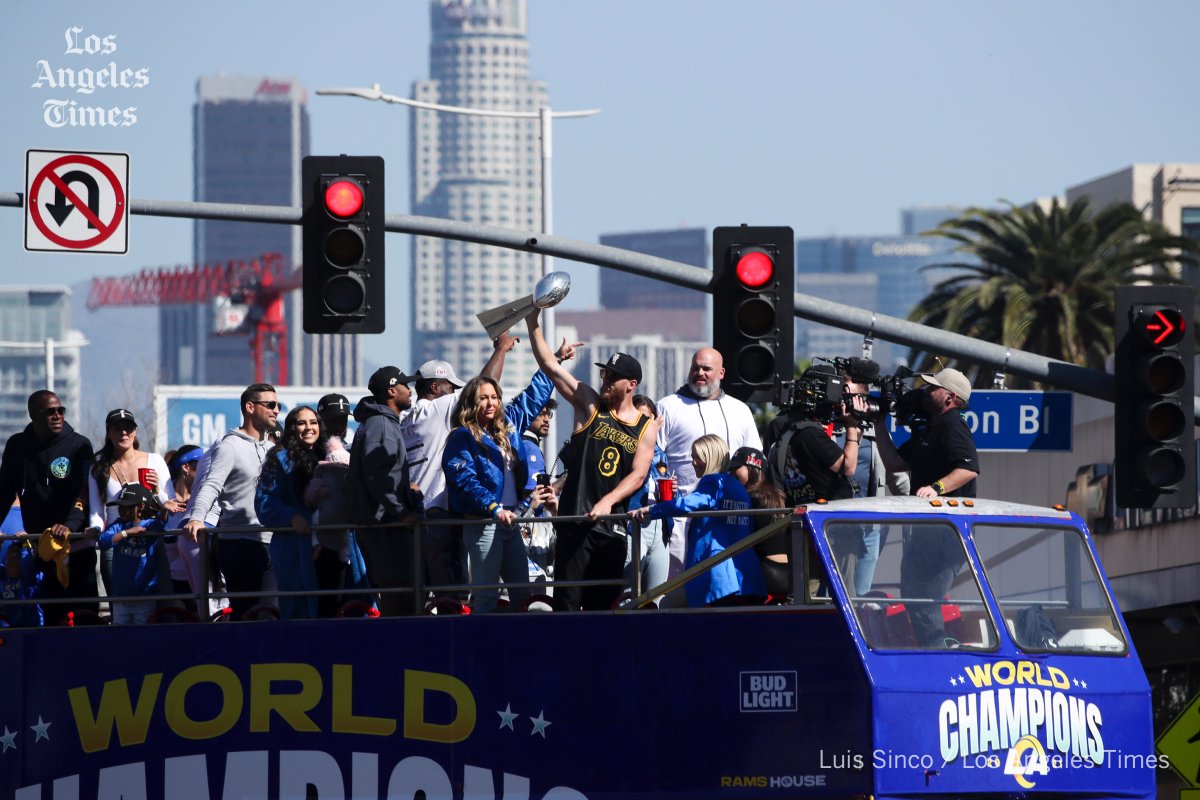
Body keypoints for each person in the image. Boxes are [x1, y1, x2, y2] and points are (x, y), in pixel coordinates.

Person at [527, 308, 656, 611]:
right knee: (567, 607)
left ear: (631, 384)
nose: (606, 380)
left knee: (602, 610)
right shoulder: (590, 404)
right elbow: (549, 366)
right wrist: (532, 322)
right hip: (576, 522)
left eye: (613, 377)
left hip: (611, 529)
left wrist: (608, 501)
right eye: (604, 374)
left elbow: (639, 474)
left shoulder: (645, 427)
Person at [873, 367, 980, 646]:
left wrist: (936, 489)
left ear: (949, 397)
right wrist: (878, 424)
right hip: (926, 531)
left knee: (926, 598)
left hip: (947, 532)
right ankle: (931, 647)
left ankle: (938, 650)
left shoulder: (953, 425)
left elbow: (969, 468)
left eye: (933, 388)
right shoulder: (931, 428)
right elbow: (895, 463)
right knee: (913, 593)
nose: (925, 391)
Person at [401, 337, 514, 598]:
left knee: (422, 594)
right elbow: (482, 387)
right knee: (453, 594)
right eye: (451, 387)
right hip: (440, 513)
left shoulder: (405, 418)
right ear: (434, 387)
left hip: (415, 514)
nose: (455, 393)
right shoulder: (436, 410)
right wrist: (501, 349)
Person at [443, 372, 553, 613]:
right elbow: (464, 480)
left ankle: (514, 638)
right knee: (485, 598)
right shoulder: (462, 436)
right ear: (471, 402)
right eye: (483, 398)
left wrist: (553, 364)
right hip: (484, 524)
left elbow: (532, 399)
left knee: (522, 595)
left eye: (494, 397)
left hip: (511, 522)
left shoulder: (507, 428)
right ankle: (480, 639)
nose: (490, 403)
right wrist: (494, 508)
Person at [654, 348, 762, 584]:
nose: (700, 373)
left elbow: (755, 461)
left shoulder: (740, 410)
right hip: (682, 518)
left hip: (732, 516)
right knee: (678, 586)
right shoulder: (667, 406)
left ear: (721, 373)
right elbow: (653, 458)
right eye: (696, 367)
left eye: (707, 369)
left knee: (727, 584)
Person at [631, 434, 766, 607]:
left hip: (716, 575)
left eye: (698, 457)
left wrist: (651, 510)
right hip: (745, 576)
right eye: (692, 457)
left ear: (711, 457)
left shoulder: (713, 483)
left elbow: (687, 504)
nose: (693, 462)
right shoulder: (738, 488)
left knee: (665, 606)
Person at [183, 383, 279, 619]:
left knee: (272, 614)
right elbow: (211, 485)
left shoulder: (272, 448)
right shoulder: (229, 445)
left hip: (273, 541)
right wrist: (197, 517)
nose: (276, 410)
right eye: (270, 405)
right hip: (239, 543)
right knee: (246, 615)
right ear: (250, 407)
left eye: (277, 405)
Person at [0, 390, 95, 626]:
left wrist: (69, 525)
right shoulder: (16, 446)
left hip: (75, 548)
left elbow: (85, 492)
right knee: (47, 620)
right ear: (34, 415)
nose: (57, 416)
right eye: (50, 412)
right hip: (39, 550)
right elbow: (4, 492)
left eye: (61, 410)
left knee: (83, 618)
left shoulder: (79, 445)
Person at [348, 366, 424, 616]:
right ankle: (397, 639)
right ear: (392, 391)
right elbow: (377, 475)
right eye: (405, 385)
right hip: (385, 525)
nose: (410, 391)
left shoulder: (380, 423)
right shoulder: (381, 425)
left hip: (384, 523)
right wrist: (401, 511)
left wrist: (404, 488)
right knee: (398, 592)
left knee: (400, 591)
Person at [86, 409, 178, 599]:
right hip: (117, 540)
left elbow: (171, 505)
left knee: (159, 600)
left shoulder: (155, 461)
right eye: (117, 429)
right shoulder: (99, 467)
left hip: (150, 537)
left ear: (135, 432)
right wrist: (95, 529)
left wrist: (156, 490)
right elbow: (96, 511)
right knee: (119, 601)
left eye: (128, 428)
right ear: (108, 433)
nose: (124, 433)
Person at [255, 406, 328, 620]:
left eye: (313, 422)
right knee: (297, 612)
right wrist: (291, 516)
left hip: (330, 546)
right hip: (295, 547)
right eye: (301, 423)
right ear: (291, 428)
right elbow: (264, 502)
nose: (309, 428)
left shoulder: (329, 455)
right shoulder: (279, 459)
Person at [624, 395, 672, 604]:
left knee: (657, 597)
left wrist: (673, 491)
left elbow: (663, 488)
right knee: (628, 595)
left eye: (649, 418)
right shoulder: (625, 447)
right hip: (634, 524)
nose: (645, 424)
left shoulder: (661, 454)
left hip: (660, 525)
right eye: (640, 418)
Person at [98, 483, 167, 625]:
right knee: (121, 636)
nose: (120, 510)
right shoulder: (118, 525)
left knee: (143, 635)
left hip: (145, 598)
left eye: (125, 506)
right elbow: (103, 542)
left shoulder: (149, 524)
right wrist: (127, 533)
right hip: (120, 598)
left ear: (141, 507)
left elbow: (159, 526)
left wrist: (164, 510)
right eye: (119, 506)